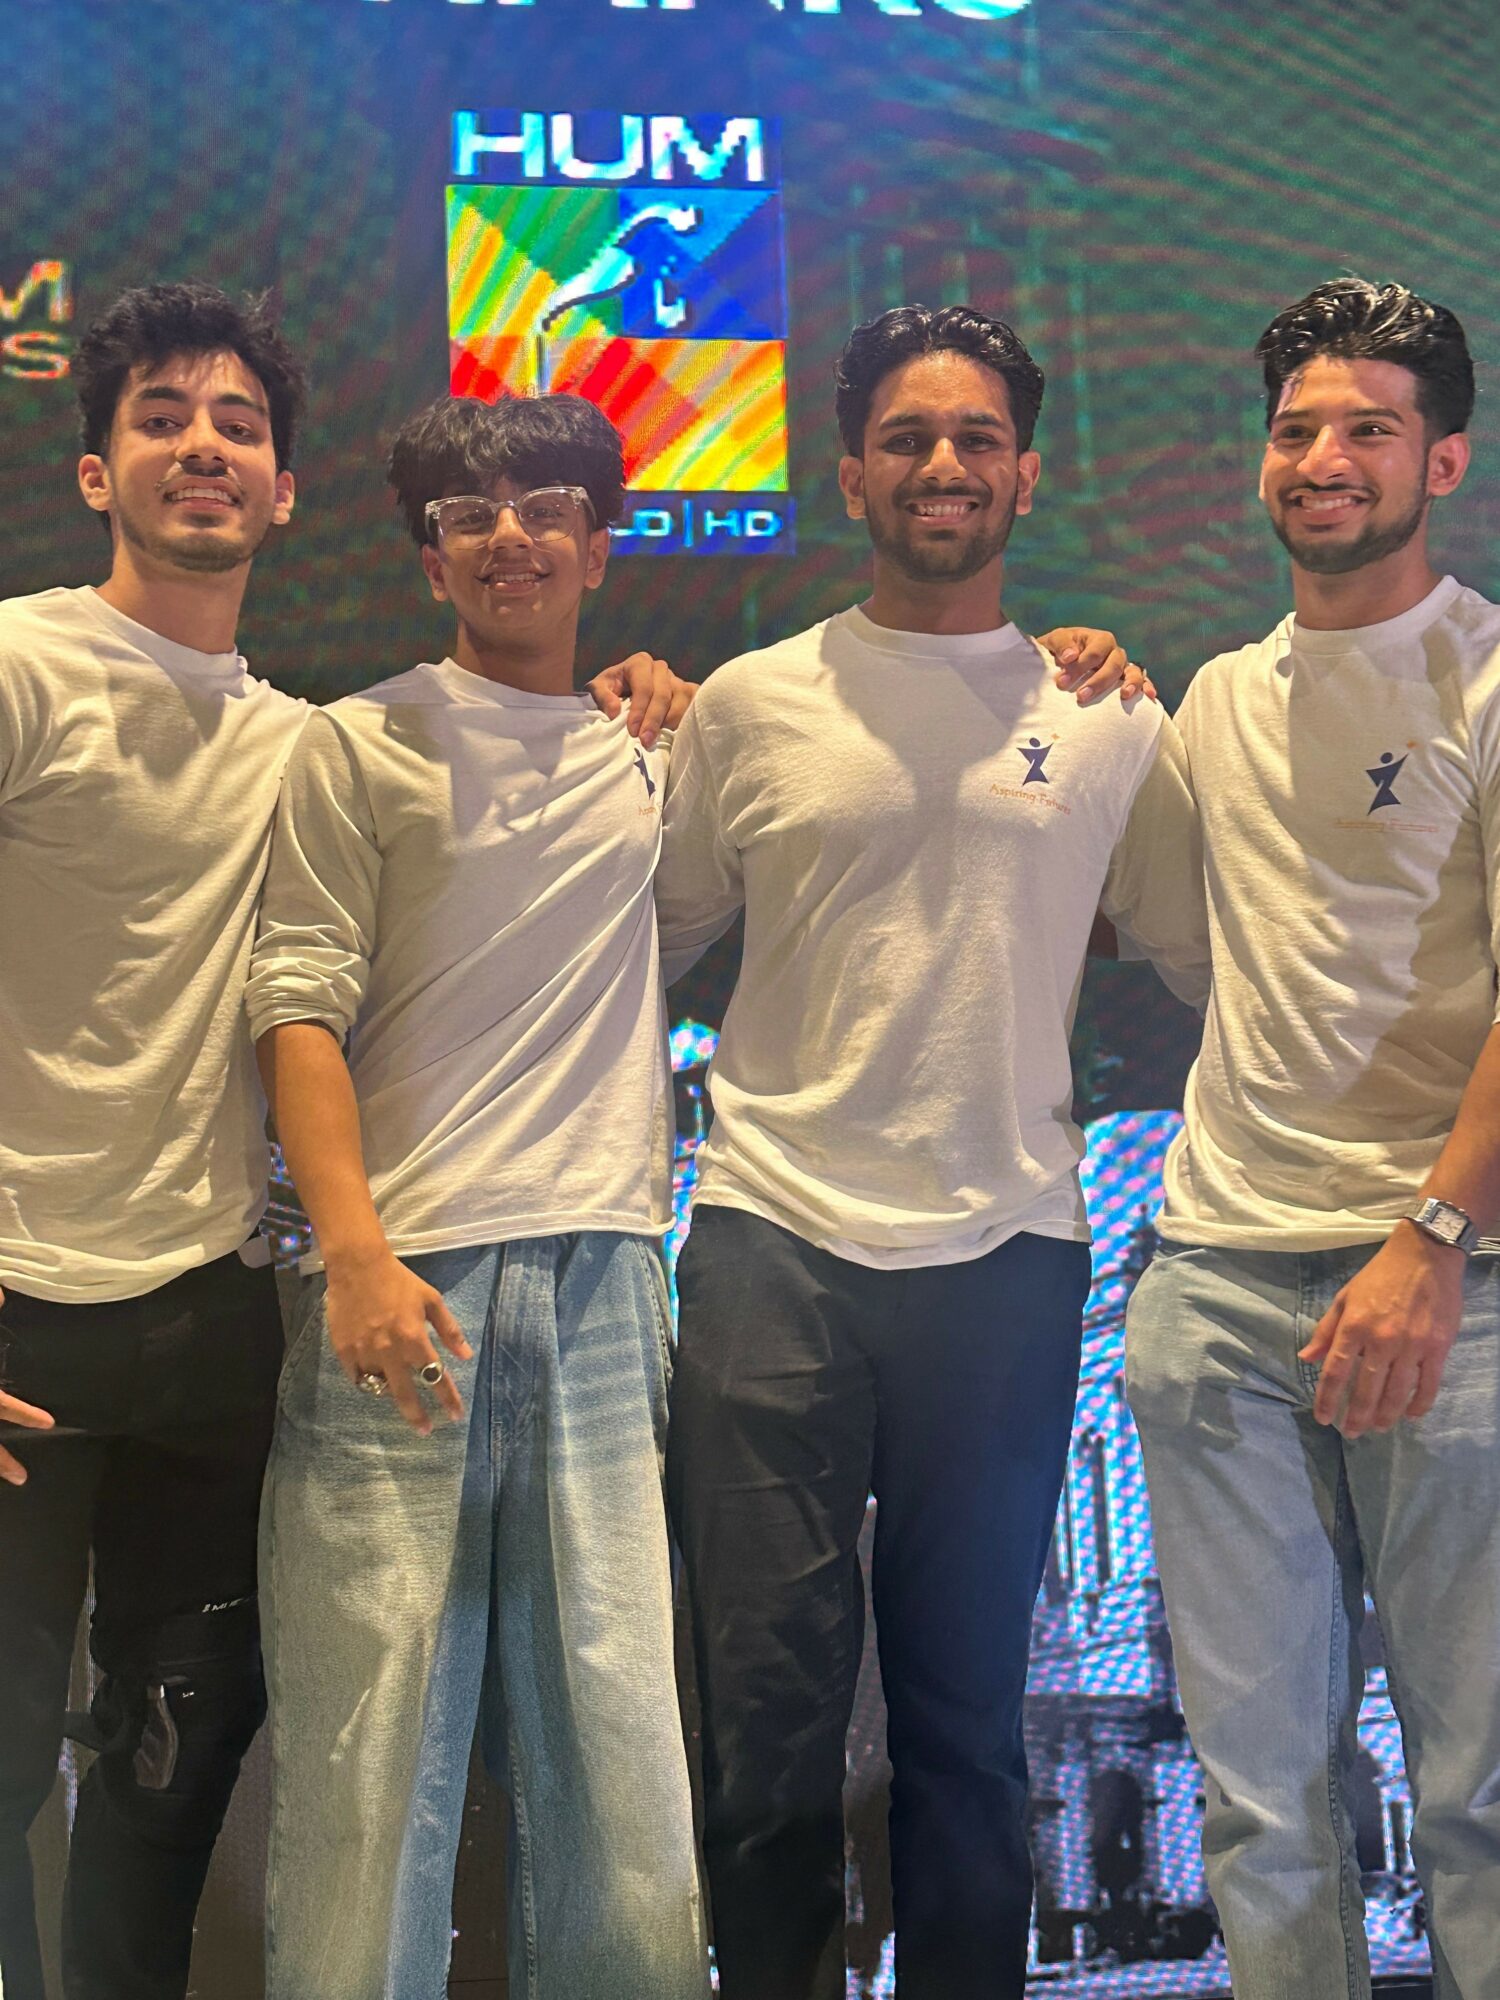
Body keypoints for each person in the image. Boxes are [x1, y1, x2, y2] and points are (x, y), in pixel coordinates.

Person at [652, 302, 1210, 2000]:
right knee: (764, 1731)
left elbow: (1214, 958)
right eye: (907, 438)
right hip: (771, 1245)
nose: (943, 464)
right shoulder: (750, 705)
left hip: (1008, 1253)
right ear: (851, 476)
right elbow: (634, 949)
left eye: (977, 439)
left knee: (968, 1731)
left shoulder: (1109, 719)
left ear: (1026, 475)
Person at [246, 393, 707, 2000]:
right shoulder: (355, 741)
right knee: (369, 1776)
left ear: (601, 541)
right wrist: (354, 1255)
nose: (511, 535)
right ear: (430, 556)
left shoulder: (662, 745)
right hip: (402, 1290)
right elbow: (296, 1005)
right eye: (469, 514)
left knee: (624, 1778)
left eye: (547, 505)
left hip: (606, 1282)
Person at [1125, 278, 1500, 1998]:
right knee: (1260, 1806)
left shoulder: (1488, 678)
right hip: (1216, 1280)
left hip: (1449, 1291)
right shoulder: (1212, 699)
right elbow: (1189, 946)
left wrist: (1433, 1244)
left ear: (1445, 460)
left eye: (1368, 428)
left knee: (1477, 1792)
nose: (1325, 458)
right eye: (1297, 430)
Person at [0, 281, 308, 2000]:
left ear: (283, 491)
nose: (203, 445)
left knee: (173, 1768)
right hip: (14, 1320)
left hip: (208, 1322)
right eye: (163, 417)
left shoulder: (298, 742)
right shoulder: (20, 664)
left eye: (238, 425)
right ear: (93, 470)